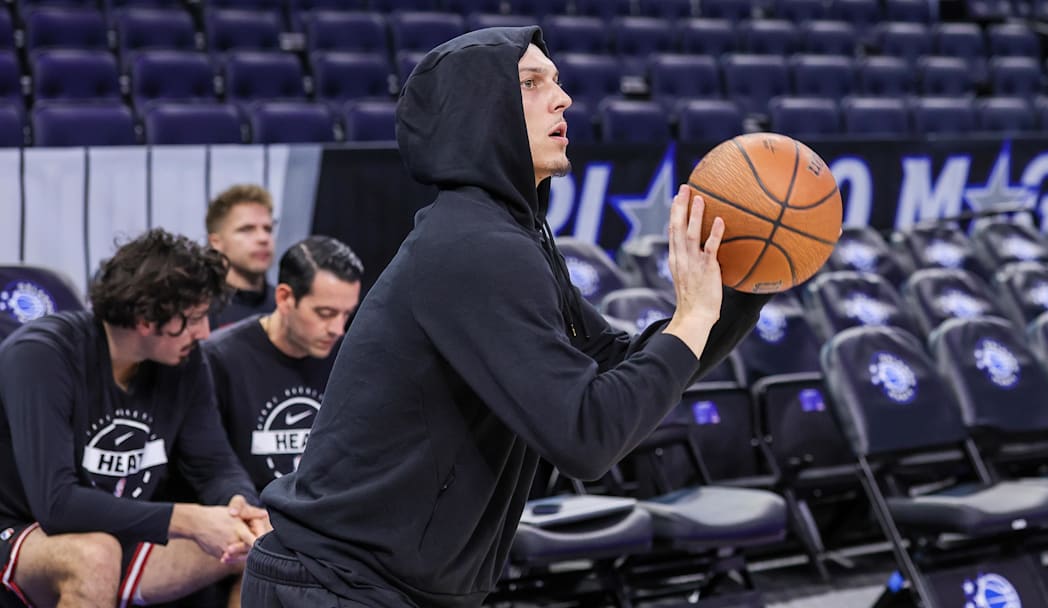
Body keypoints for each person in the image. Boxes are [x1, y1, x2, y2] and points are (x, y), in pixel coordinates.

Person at [241, 26, 770, 608]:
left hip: (379, 584)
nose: (563, 97)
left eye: (558, 80)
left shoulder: (510, 237)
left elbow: (617, 364)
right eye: (532, 82)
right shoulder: (472, 246)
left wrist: (746, 286)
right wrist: (691, 316)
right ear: (479, 111)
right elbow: (586, 438)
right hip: (338, 586)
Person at [0, 229, 270, 608]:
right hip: (22, 527)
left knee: (255, 547)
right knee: (95, 556)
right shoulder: (40, 356)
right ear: (146, 318)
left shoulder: (184, 360)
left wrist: (239, 505)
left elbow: (213, 463)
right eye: (193, 319)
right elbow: (57, 506)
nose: (205, 332)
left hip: (114, 530)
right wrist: (189, 519)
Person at [206, 236, 363, 492]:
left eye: (347, 314)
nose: (338, 329)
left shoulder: (348, 356)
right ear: (284, 297)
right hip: (250, 515)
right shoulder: (219, 358)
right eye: (325, 313)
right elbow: (211, 466)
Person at [206, 184, 276, 329]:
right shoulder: (200, 311)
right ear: (216, 242)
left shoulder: (287, 306)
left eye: (268, 229)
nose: (263, 238)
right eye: (247, 229)